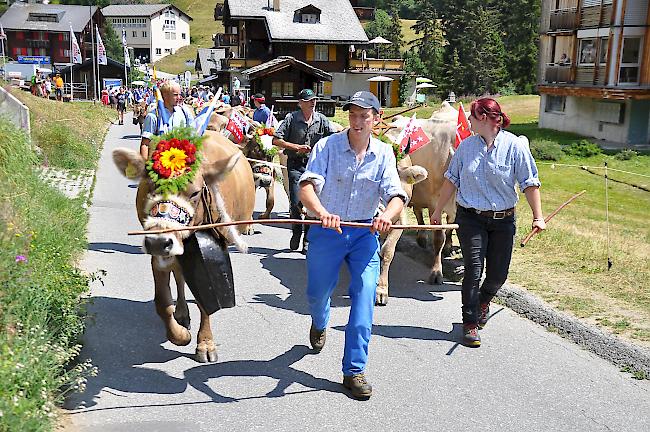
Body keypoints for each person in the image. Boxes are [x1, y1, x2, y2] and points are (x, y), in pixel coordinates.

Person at [298, 90, 407, 399]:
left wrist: (386, 215)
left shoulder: (385, 153)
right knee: (317, 294)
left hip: (363, 235)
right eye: (353, 115)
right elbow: (306, 186)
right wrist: (321, 212)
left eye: (364, 116)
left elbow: (396, 195)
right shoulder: (327, 147)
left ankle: (354, 370)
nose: (357, 121)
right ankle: (320, 323)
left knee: (364, 296)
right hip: (327, 231)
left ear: (376, 118)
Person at [431, 98, 545, 347]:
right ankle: (469, 322)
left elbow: (530, 183)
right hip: (470, 218)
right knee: (473, 270)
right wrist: (438, 210)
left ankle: (483, 301)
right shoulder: (465, 147)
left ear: (483, 118)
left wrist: (538, 216)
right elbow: (451, 180)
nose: (469, 121)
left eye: (472, 116)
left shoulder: (515, 146)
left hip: (503, 221)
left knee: (498, 275)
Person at [272, 88, 338, 252]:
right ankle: (296, 231)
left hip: (314, 166)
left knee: (311, 204)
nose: (313, 103)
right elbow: (275, 140)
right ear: (300, 103)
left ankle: (307, 239)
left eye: (314, 100)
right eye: (309, 100)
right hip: (295, 165)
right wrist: (296, 147)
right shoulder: (291, 119)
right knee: (296, 202)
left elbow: (333, 138)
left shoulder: (321, 119)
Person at [140, 80, 195, 160]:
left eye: (180, 94)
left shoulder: (183, 112)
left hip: (181, 161)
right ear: (165, 96)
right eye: (175, 95)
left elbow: (191, 137)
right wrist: (143, 166)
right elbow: (145, 144)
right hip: (160, 163)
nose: (179, 98)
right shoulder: (153, 116)